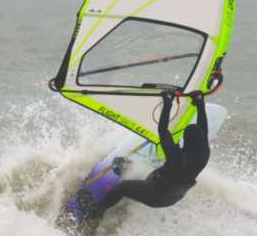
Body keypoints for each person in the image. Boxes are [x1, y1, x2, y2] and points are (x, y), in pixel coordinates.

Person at [84, 90, 210, 218]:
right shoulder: (204, 153)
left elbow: (162, 130)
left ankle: (96, 210)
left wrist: (167, 102)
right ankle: (129, 172)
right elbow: (204, 129)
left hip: (155, 195)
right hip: (173, 196)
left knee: (123, 187)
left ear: (187, 141)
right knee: (158, 171)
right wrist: (200, 104)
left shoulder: (177, 157)